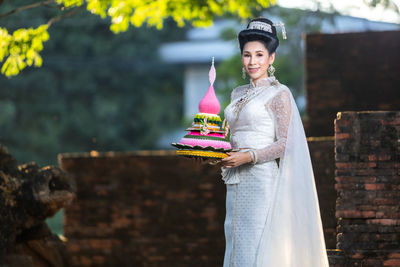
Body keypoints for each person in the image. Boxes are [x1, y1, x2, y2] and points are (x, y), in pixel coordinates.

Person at [220, 18, 329, 267]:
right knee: (236, 242)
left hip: (261, 180)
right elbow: (232, 137)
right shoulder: (237, 94)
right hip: (234, 179)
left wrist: (248, 156)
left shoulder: (279, 93)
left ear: (271, 58)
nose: (252, 62)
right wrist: (215, 152)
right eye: (247, 55)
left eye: (259, 55)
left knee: (257, 245)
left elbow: (286, 143)